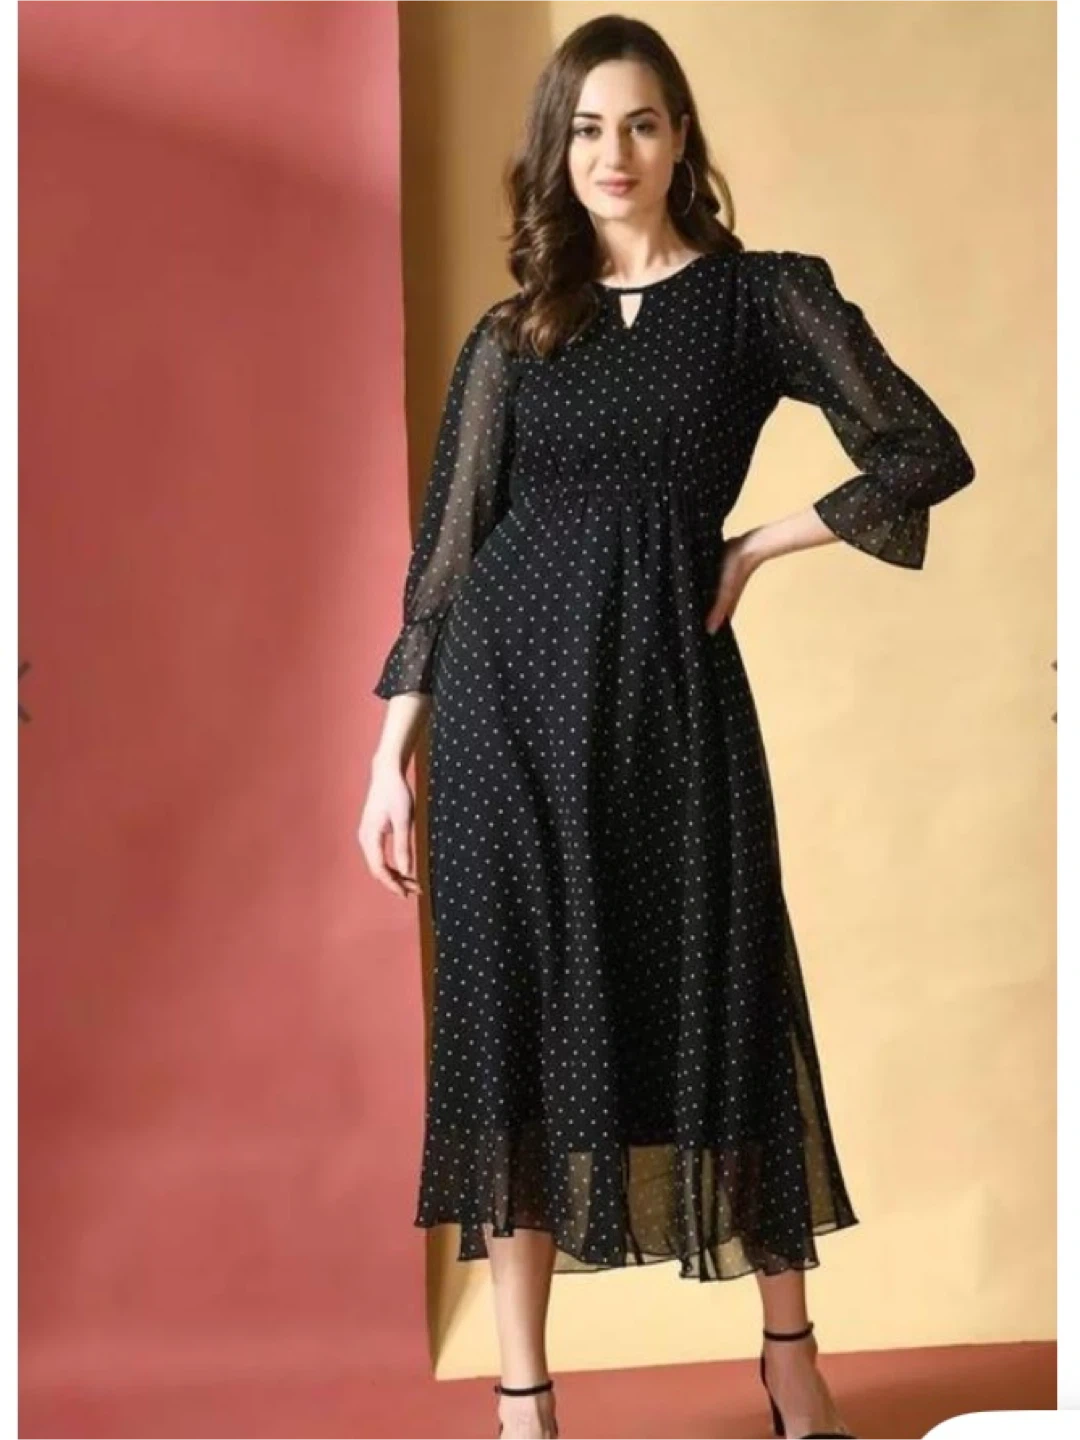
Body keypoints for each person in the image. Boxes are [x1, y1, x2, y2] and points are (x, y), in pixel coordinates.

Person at [358, 14, 975, 1440]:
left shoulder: (762, 298)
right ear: (556, 150)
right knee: (510, 1030)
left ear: (681, 135)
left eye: (640, 123)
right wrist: (391, 758)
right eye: (585, 129)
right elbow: (445, 563)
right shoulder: (514, 335)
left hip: (670, 715)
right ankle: (524, 1397)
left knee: (730, 1000)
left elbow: (922, 450)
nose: (613, 154)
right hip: (505, 721)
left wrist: (756, 545)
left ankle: (792, 1360)